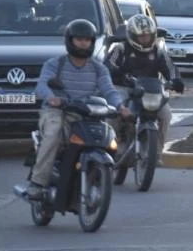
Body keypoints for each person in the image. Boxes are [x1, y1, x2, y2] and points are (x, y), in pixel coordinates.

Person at [24, 19, 130, 200]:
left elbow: (109, 90)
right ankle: (38, 182)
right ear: (69, 40)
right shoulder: (55, 64)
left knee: (105, 138)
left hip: (85, 113)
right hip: (57, 111)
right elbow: (42, 86)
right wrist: (52, 98)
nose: (83, 43)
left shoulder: (98, 68)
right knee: (54, 133)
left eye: (87, 40)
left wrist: (120, 107)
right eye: (79, 39)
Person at [103, 14, 184, 158]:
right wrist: (119, 73)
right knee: (114, 113)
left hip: (150, 91)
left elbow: (171, 69)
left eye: (148, 36)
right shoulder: (121, 48)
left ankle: (156, 153)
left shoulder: (158, 51)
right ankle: (112, 146)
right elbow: (108, 65)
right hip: (125, 88)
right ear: (132, 36)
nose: (146, 39)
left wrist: (175, 81)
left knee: (165, 114)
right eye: (142, 36)